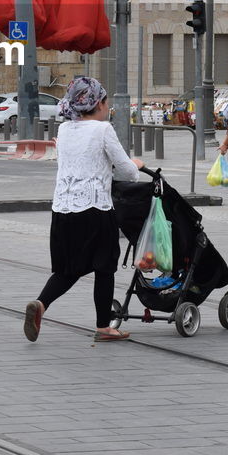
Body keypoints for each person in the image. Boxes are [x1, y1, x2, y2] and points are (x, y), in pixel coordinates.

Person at [23, 76, 143, 344]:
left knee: (68, 268)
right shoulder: (102, 130)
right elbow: (127, 171)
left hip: (62, 209)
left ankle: (41, 304)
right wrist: (135, 164)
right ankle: (103, 326)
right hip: (95, 209)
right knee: (104, 267)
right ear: (98, 103)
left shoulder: (65, 131)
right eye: (106, 101)